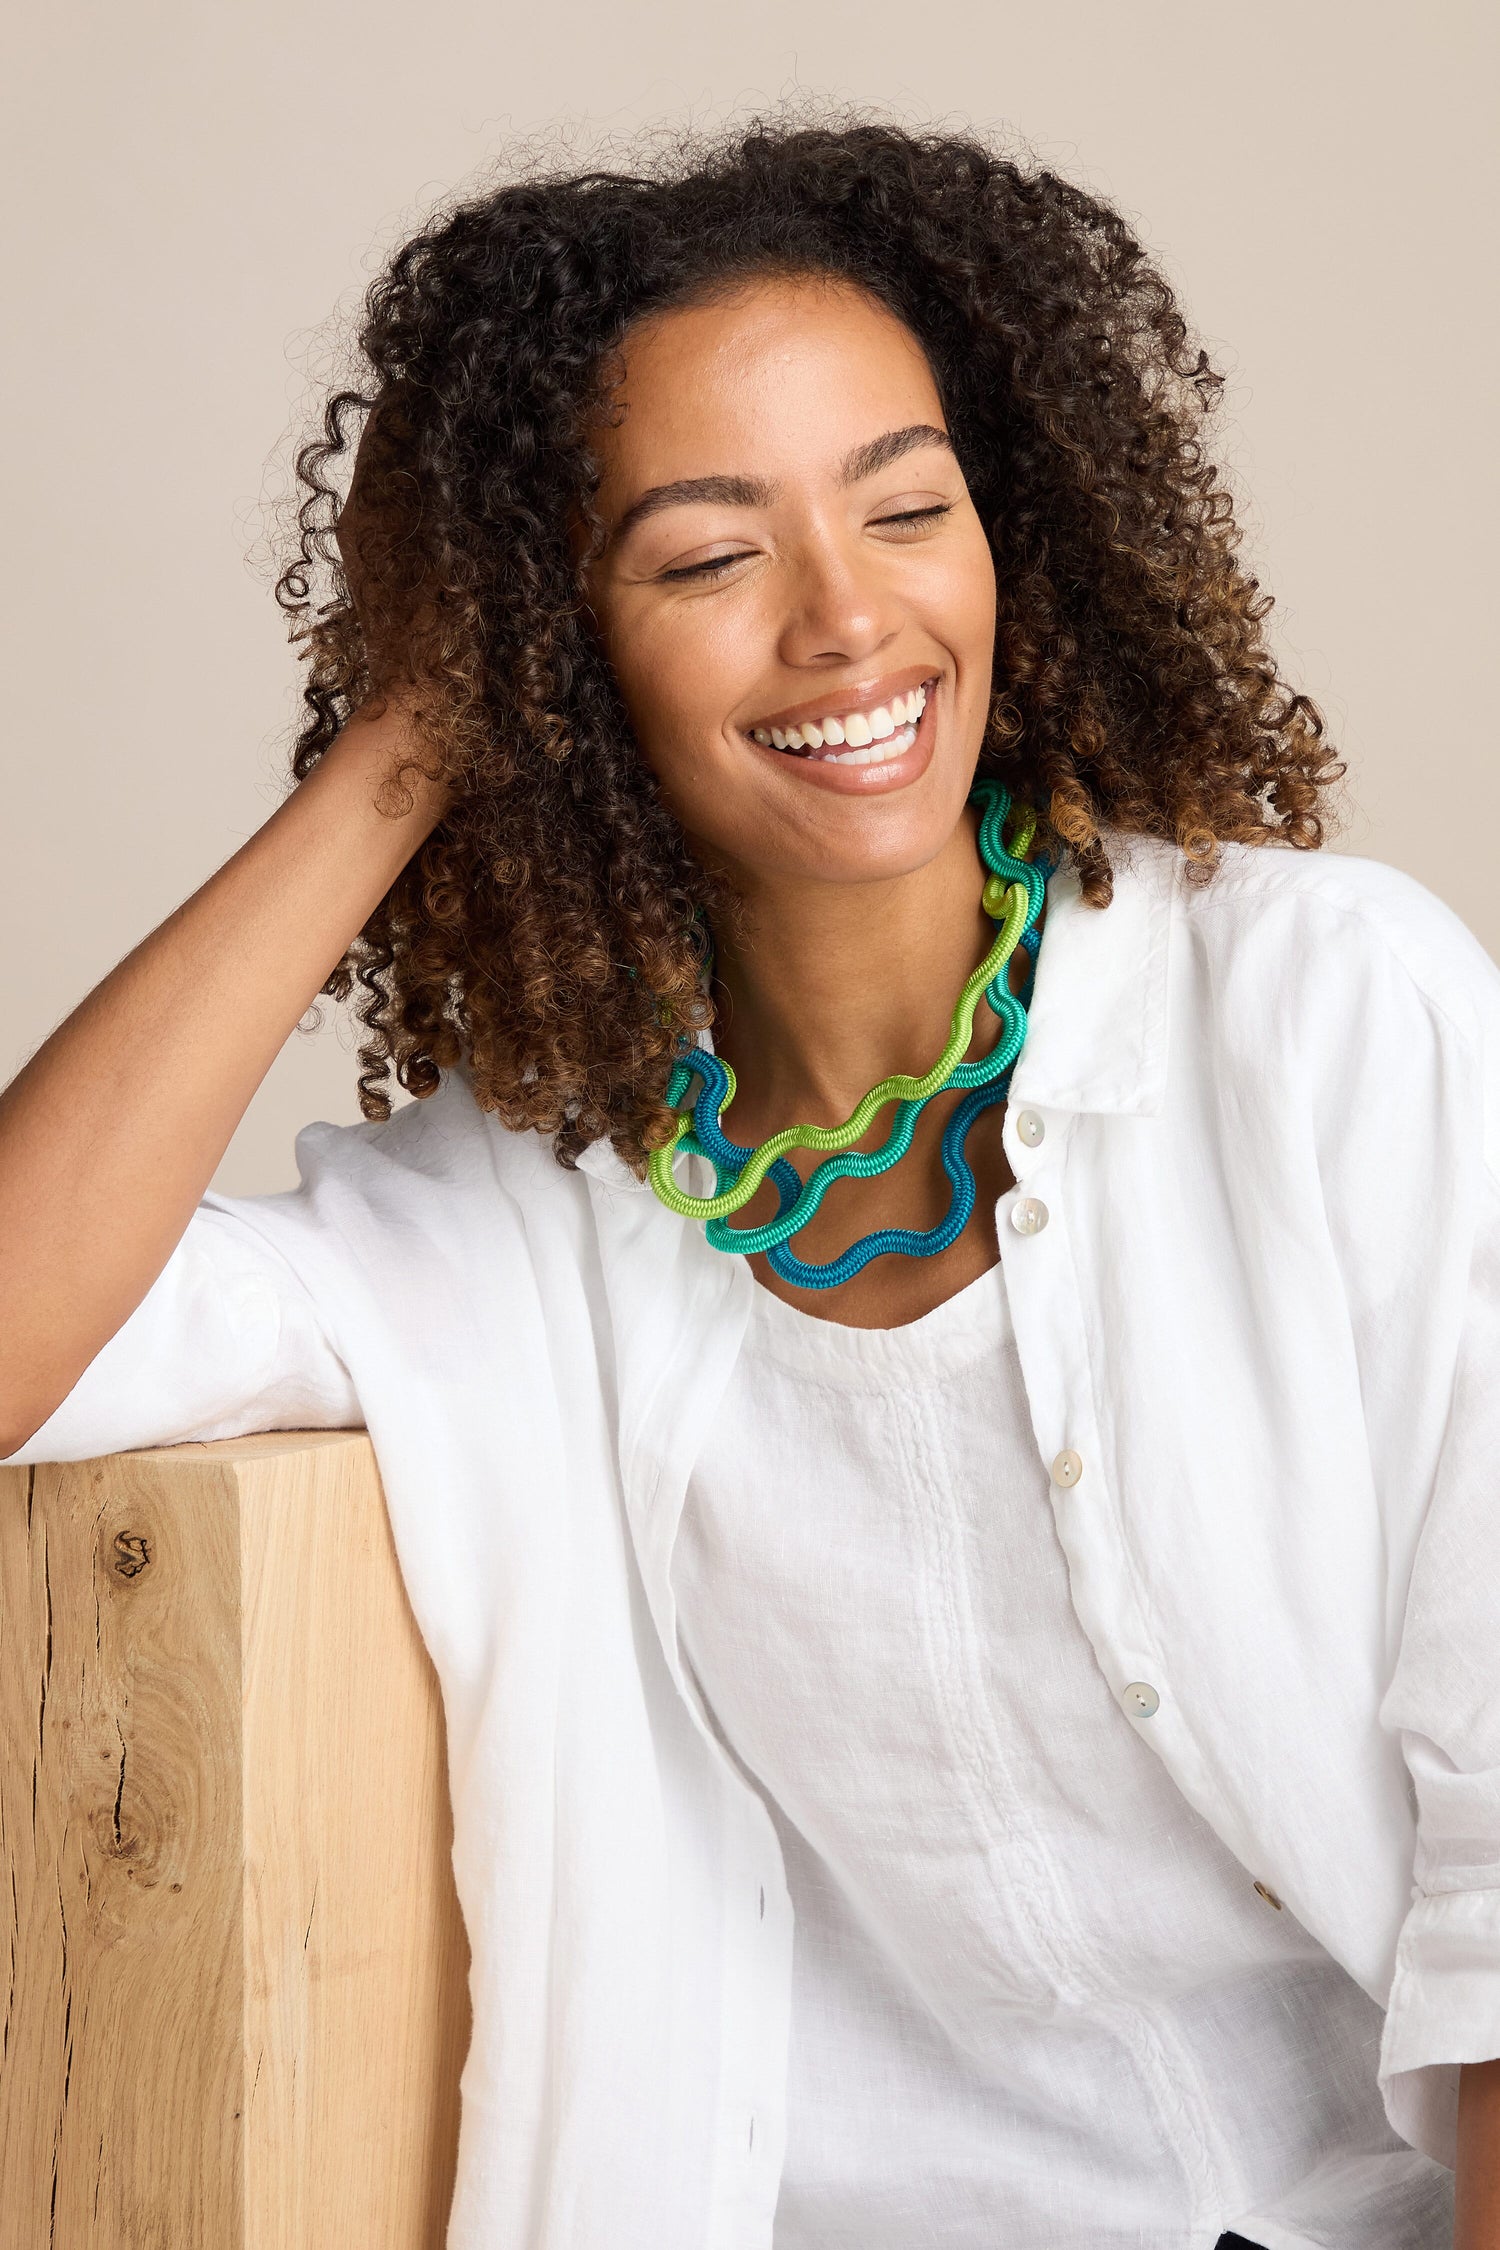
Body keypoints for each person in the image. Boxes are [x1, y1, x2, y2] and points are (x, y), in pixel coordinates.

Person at [2, 115, 1497, 2250]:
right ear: (561, 647)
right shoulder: (509, 1219)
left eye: (907, 509)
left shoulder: (1332, 1020)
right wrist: (412, 742)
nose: (845, 621)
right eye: (704, 561)